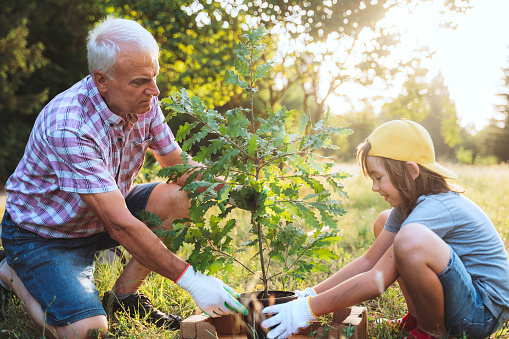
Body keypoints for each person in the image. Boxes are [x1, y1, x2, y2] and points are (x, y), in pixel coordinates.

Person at [0, 17, 247, 339]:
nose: (154, 91)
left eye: (154, 78)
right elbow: (118, 223)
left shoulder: (143, 101)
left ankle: (124, 297)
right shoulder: (69, 126)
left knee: (181, 195)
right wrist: (192, 279)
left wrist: (239, 189)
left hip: (99, 216)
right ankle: (10, 271)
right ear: (101, 80)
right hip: (45, 235)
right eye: (140, 81)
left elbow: (177, 166)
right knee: (87, 332)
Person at [261, 119, 509, 339]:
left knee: (409, 240)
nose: (374, 187)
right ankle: (416, 319)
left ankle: (431, 332)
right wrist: (308, 294)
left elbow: (376, 280)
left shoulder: (438, 207)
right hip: (463, 300)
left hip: (481, 315)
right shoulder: (409, 205)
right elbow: (370, 261)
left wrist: (308, 309)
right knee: (385, 221)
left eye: (379, 178)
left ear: (411, 172)